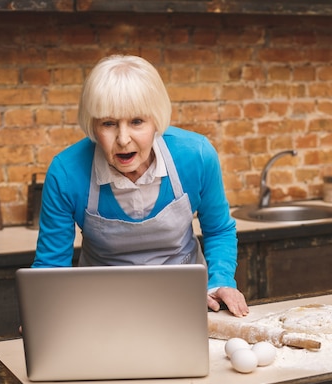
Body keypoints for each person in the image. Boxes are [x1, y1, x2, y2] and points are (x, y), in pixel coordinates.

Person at [32, 54, 249, 317]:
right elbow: (51, 265)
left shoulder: (196, 156)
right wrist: (42, 312)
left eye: (136, 122)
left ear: (156, 119)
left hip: (187, 302)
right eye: (109, 123)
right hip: (103, 310)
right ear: (92, 124)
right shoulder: (66, 172)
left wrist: (221, 280)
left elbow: (218, 229)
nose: (123, 139)